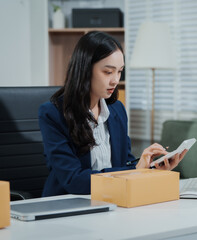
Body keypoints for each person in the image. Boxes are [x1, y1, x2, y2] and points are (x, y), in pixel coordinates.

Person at [39, 31, 187, 197]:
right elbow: (73, 180)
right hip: (68, 205)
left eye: (119, 71)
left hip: (112, 199)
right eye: (108, 72)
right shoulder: (53, 114)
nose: (115, 80)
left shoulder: (117, 110)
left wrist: (150, 166)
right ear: (85, 69)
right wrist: (134, 171)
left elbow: (125, 163)